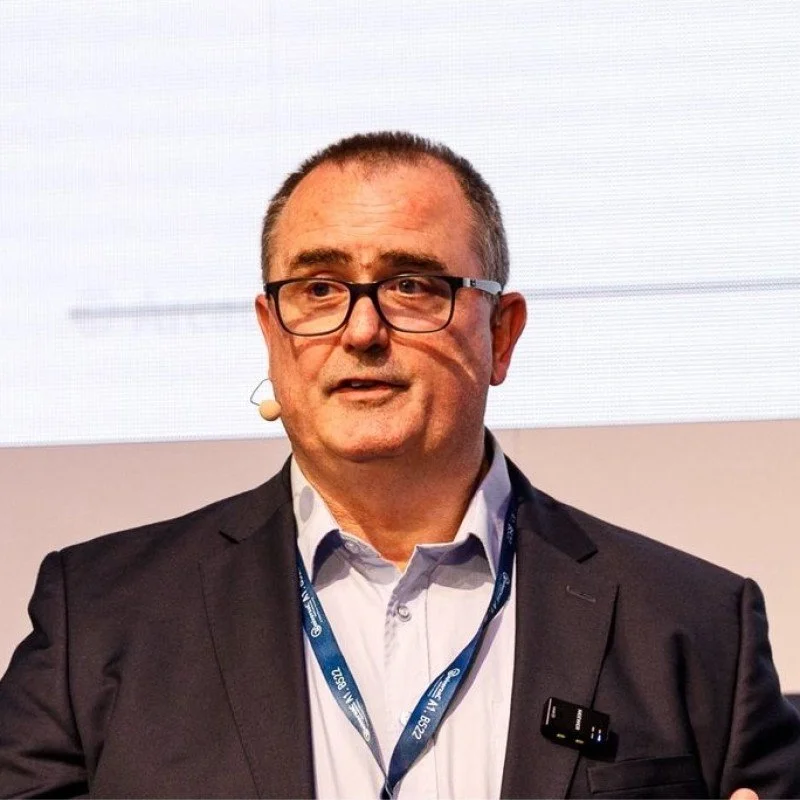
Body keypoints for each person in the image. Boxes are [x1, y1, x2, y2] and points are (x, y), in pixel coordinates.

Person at [1, 132, 798, 799]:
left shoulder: (695, 626)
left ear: (503, 334)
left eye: (412, 285)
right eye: (318, 288)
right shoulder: (100, 619)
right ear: (272, 332)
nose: (361, 331)